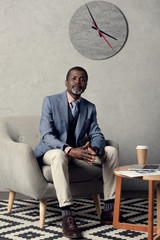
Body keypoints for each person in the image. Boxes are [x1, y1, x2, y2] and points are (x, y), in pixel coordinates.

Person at [34, 66, 118, 239]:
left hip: (78, 153)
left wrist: (94, 148)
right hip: (54, 150)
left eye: (82, 79)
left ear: (86, 84)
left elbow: (96, 133)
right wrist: (69, 149)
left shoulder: (90, 107)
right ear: (66, 82)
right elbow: (47, 135)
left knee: (110, 151)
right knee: (59, 155)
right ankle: (66, 215)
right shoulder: (50, 101)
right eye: (74, 78)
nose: (77, 82)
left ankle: (109, 209)